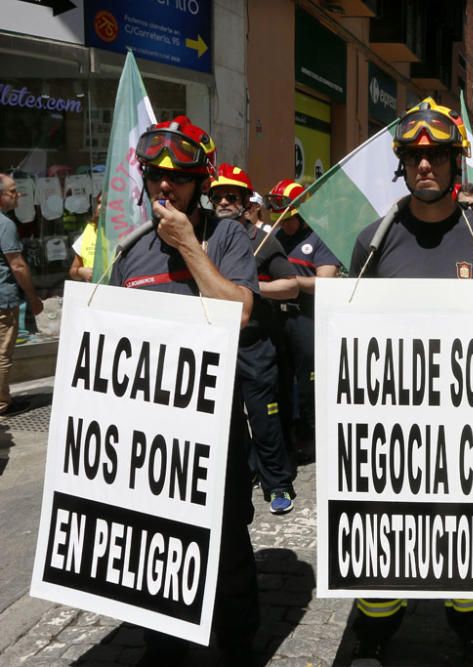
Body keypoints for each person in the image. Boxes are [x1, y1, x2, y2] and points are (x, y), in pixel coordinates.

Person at [347, 98, 473, 667]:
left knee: (470, 539)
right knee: (383, 539)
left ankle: (472, 628)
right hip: (391, 425)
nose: (425, 166)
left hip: (469, 428)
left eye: (437, 155)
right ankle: (373, 634)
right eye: (415, 156)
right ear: (402, 164)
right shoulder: (373, 240)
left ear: (455, 163)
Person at [113, 116, 259, 667]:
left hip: (216, 432)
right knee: (156, 541)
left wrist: (190, 248)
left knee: (227, 548)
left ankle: (239, 642)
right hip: (152, 437)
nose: (164, 189)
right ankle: (165, 642)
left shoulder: (227, 235)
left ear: (201, 182)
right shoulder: (131, 251)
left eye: (177, 179)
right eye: (154, 179)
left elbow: (241, 310)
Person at [210, 164, 299, 514]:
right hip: (217, 343)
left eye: (233, 196)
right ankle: (241, 474)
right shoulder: (206, 236)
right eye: (218, 195)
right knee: (224, 420)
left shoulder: (263, 238)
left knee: (263, 417)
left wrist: (247, 288)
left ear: (246, 201)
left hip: (255, 344)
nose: (224, 201)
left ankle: (278, 483)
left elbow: (291, 285)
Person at [270, 179, 341, 463]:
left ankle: (312, 438)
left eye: (290, 219)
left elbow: (326, 281)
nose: (285, 225)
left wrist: (291, 283)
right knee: (281, 380)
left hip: (307, 319)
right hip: (278, 318)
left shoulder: (320, 239)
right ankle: (287, 437)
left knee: (309, 382)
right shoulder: (274, 237)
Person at [0, 174, 42, 419]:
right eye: (13, 191)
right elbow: (17, 265)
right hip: (3, 300)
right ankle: (2, 404)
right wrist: (33, 297)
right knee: (3, 355)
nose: (18, 195)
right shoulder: (5, 225)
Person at [69, 192, 101, 282]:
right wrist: (80, 271)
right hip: (93, 291)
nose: (100, 207)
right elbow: (72, 272)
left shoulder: (123, 234)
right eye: (99, 202)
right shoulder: (89, 231)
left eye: (106, 203)